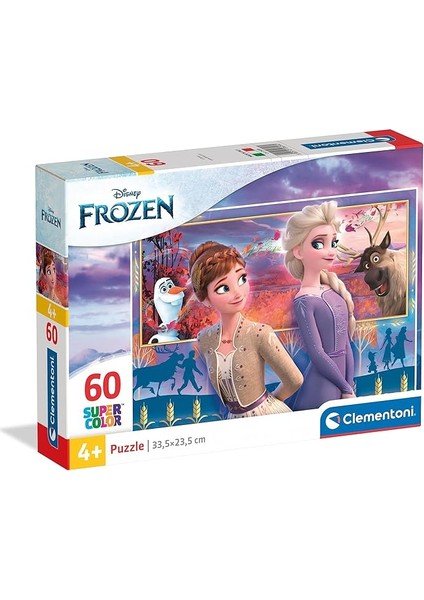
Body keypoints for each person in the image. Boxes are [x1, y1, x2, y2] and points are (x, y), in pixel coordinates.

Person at [189, 241, 303, 418]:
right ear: (205, 298)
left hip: (266, 416)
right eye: (223, 288)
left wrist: (269, 403)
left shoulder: (260, 333)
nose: (237, 293)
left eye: (242, 279)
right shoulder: (205, 339)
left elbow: (294, 379)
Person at [282, 201, 355, 410]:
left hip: (342, 381)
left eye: (333, 242)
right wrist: (345, 387)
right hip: (322, 384)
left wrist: (349, 384)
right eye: (318, 244)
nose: (330, 251)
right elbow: (317, 353)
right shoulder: (304, 300)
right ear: (298, 252)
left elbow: (346, 343)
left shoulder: (332, 290)